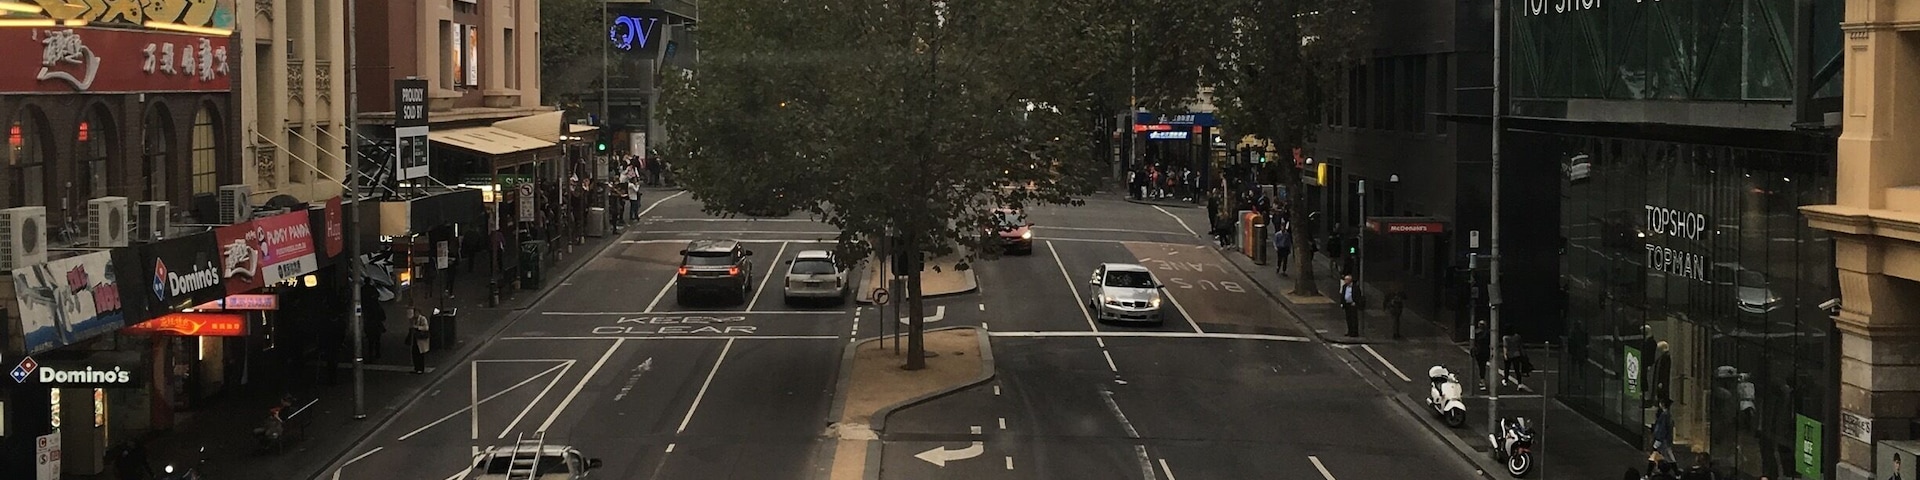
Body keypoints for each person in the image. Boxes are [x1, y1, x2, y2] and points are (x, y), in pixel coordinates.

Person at [361, 286, 387, 360]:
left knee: (371, 341)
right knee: (377, 341)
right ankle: (377, 353)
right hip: (376, 325)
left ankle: (371, 354)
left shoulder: (368, 308)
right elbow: (383, 317)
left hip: (370, 325)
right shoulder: (378, 307)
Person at [1651, 398, 1676, 472]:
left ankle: (1676, 471)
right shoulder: (1668, 415)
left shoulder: (1664, 415)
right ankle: (1676, 471)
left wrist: (1658, 439)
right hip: (1665, 439)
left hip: (1662, 439)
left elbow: (1662, 429)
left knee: (1666, 456)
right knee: (1668, 455)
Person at [407, 309, 431, 374]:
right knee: (414, 354)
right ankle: (416, 368)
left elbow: (426, 327)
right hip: (415, 339)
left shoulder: (422, 319)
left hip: (420, 340)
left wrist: (417, 327)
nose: (415, 314)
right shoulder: (413, 319)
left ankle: (421, 368)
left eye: (416, 313)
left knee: (420, 355)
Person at [1472, 320, 1491, 391]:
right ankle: (1482, 379)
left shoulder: (1476, 332)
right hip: (1485, 351)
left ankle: (1482, 380)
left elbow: (1474, 342)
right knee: (1483, 366)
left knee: (1481, 366)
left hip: (1479, 351)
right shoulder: (1488, 333)